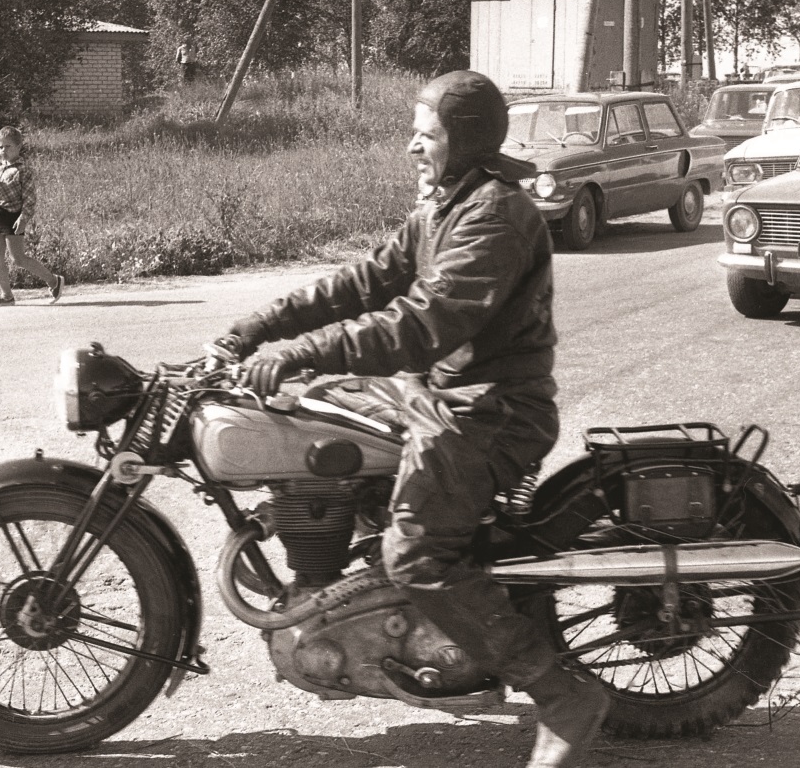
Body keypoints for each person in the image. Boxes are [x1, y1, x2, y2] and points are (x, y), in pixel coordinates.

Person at [220, 70, 610, 768]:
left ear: (465, 141)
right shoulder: (443, 205)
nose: (412, 146)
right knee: (318, 428)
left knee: (416, 555)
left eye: (426, 135)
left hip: (491, 409)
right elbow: (364, 281)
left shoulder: (495, 214)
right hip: (438, 395)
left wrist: (300, 352)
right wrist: (260, 326)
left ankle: (560, 696)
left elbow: (424, 323)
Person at [0, 125, 64, 306]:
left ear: (18, 147)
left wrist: (23, 218)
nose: (3, 150)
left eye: (8, 146)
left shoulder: (23, 169)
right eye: (0, 147)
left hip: (12, 217)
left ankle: (54, 281)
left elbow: (30, 198)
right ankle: (6, 296)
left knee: (18, 258)